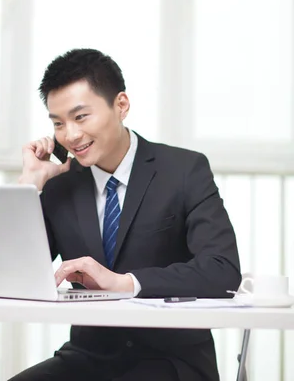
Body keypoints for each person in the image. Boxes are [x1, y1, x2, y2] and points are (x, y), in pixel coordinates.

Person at [13, 48, 241, 381]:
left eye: (81, 117)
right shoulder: (61, 184)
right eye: (59, 123)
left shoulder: (184, 170)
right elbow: (16, 273)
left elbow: (222, 269)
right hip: (88, 358)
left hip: (171, 361)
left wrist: (125, 284)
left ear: (121, 105)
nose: (71, 135)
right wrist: (29, 185)